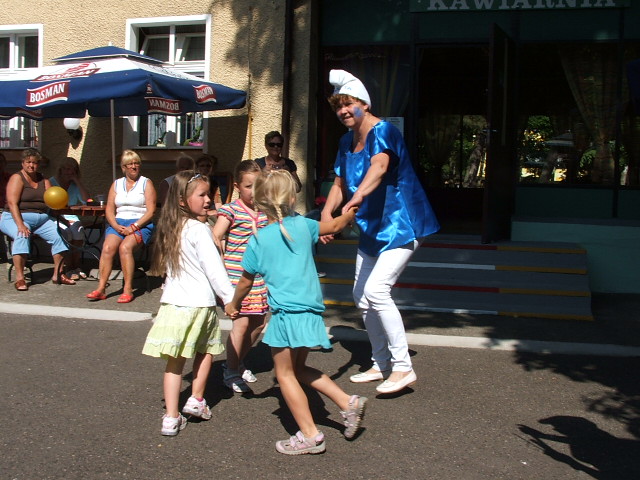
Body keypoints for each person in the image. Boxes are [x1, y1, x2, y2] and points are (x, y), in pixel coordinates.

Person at [225, 169, 366, 455]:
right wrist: (350, 212)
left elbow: (245, 282)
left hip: (286, 315)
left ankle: (311, 436)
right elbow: (335, 224)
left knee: (285, 375)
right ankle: (347, 402)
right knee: (298, 369)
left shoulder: (259, 240)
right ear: (291, 198)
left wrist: (233, 304)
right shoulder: (304, 225)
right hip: (311, 312)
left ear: (259, 202)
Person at [320, 70, 440, 395]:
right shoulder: (346, 141)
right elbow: (339, 183)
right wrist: (327, 214)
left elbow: (380, 166)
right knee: (361, 296)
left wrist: (357, 197)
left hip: (402, 224)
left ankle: (403, 367)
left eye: (348, 104)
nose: (343, 111)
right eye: (338, 107)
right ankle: (381, 362)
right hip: (372, 229)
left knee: (376, 291)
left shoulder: (384, 131)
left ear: (364, 103)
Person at [142, 171, 234, 436]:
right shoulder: (200, 230)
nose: (208, 200)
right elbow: (214, 270)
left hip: (173, 304)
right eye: (202, 195)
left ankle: (170, 417)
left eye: (209, 194)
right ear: (183, 200)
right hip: (199, 304)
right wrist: (229, 298)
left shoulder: (172, 227)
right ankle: (196, 398)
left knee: (174, 362)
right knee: (206, 350)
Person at [212, 160, 268, 393]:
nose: (253, 191)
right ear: (237, 187)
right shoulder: (231, 210)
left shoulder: (265, 211)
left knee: (259, 323)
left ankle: (237, 361)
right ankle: (232, 370)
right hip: (236, 277)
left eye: (258, 186)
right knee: (241, 323)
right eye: (248, 186)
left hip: (260, 278)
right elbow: (215, 236)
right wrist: (220, 261)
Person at [0, 148, 76, 290]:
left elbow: (52, 201)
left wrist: (62, 219)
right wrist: (20, 224)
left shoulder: (44, 180)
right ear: (22, 163)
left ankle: (58, 274)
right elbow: (12, 203)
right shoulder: (17, 178)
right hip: (14, 217)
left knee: (60, 234)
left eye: (34, 163)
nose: (31, 165)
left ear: (38, 164)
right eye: (28, 162)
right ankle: (20, 278)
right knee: (21, 235)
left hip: (41, 218)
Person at [86, 150, 156, 303]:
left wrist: (134, 226)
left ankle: (128, 289)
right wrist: (115, 225)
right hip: (118, 222)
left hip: (140, 223)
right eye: (130, 164)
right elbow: (109, 209)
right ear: (124, 167)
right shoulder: (116, 184)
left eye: (136, 163)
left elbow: (151, 211)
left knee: (125, 248)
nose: (134, 166)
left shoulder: (146, 183)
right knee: (108, 248)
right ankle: (101, 288)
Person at [49, 157, 90, 280]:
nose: (69, 172)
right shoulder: (51, 182)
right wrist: (64, 221)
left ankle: (75, 266)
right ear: (60, 170)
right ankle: (68, 267)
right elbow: (49, 206)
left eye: (73, 170)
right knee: (66, 233)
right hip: (55, 216)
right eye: (66, 169)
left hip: (71, 215)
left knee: (78, 230)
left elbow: (87, 201)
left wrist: (77, 182)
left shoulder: (74, 185)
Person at [195, 154, 222, 221]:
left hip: (210, 211)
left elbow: (218, 202)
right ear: (197, 168)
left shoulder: (214, 183)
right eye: (202, 166)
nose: (205, 168)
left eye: (208, 166)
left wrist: (220, 213)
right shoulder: (193, 183)